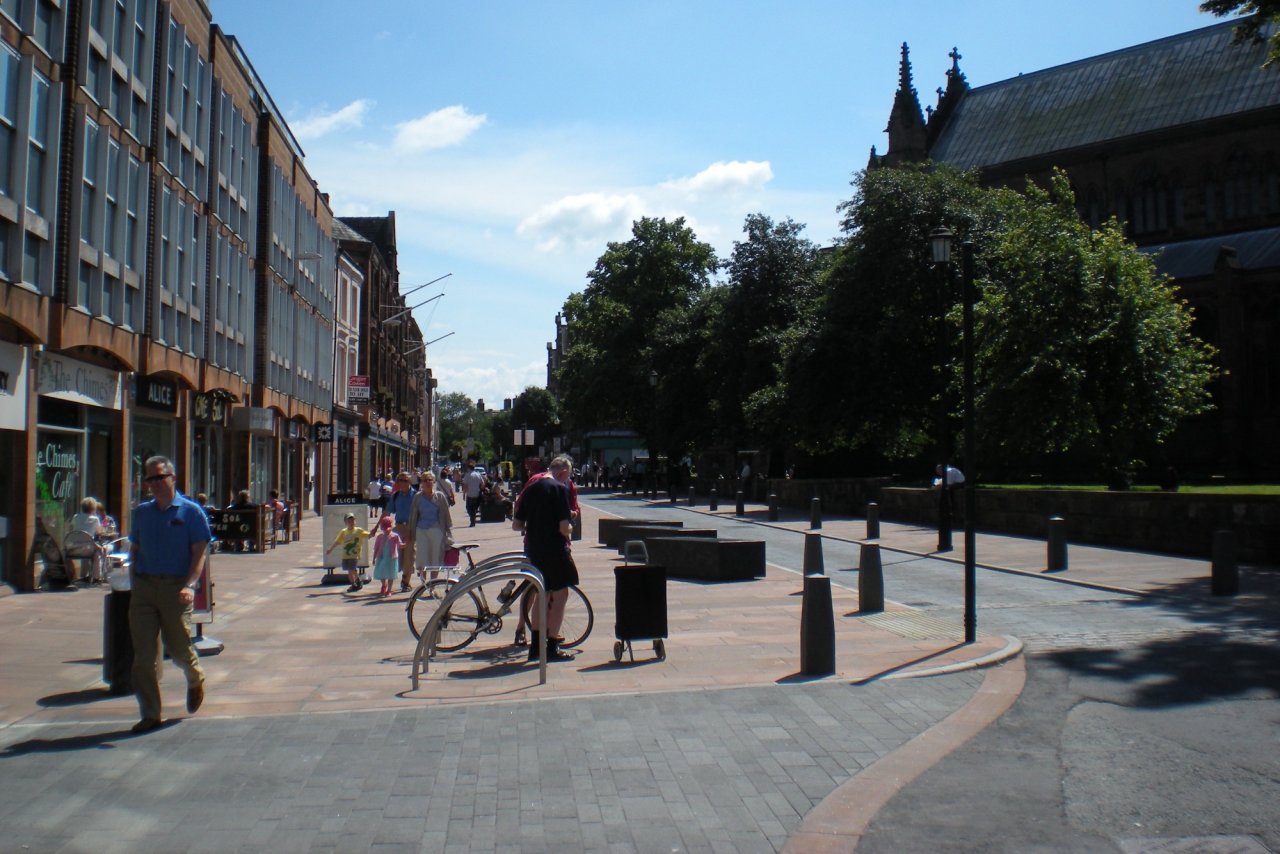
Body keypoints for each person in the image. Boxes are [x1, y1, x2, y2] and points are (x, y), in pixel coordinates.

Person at [127, 455, 212, 734]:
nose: (155, 483)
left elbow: (200, 552)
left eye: (160, 477)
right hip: (145, 587)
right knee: (143, 657)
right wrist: (134, 580)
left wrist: (190, 584)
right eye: (150, 478)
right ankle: (151, 713)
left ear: (173, 478)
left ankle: (195, 677)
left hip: (176, 588)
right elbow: (135, 548)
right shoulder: (142, 513)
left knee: (178, 648)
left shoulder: (190, 512)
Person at [512, 455, 579, 662]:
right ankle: (551, 647)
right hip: (555, 550)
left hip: (534, 550)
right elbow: (563, 527)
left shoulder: (531, 489)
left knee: (541, 595)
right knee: (560, 596)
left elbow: (517, 525)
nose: (567, 480)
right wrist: (569, 528)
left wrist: (535, 526)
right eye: (568, 476)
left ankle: (536, 648)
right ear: (562, 472)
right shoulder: (560, 490)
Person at [407, 471, 453, 586]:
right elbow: (413, 516)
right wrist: (411, 533)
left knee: (435, 558)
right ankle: (424, 586)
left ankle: (432, 585)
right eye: (424, 480)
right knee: (422, 558)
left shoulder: (440, 496)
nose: (427, 482)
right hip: (421, 530)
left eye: (429, 480)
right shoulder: (417, 497)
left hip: (437, 530)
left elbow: (446, 514)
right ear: (421, 483)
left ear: (433, 481)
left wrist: (448, 531)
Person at [385, 472, 416, 592]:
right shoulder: (395, 495)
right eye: (400, 481)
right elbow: (388, 511)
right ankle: (391, 581)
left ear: (410, 481)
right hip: (398, 527)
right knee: (395, 555)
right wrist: (377, 527)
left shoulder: (416, 495)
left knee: (409, 554)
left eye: (405, 480)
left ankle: (405, 581)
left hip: (411, 527)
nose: (403, 483)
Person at [326, 512, 370, 593]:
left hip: (354, 555)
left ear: (355, 521)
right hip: (345, 555)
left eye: (353, 521)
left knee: (351, 570)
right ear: (346, 522)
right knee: (349, 572)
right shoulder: (343, 532)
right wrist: (330, 549)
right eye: (349, 521)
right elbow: (337, 542)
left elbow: (368, 535)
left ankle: (358, 581)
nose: (351, 523)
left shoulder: (358, 530)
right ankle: (354, 584)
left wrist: (374, 533)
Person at [370, 514, 404, 597]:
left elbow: (399, 545)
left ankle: (389, 590)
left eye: (388, 529)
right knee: (382, 572)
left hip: (392, 558)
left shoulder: (395, 536)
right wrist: (374, 558)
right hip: (381, 557)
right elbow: (376, 548)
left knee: (391, 574)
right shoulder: (380, 537)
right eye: (385, 529)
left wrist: (405, 545)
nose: (386, 531)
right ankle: (384, 585)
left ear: (392, 526)